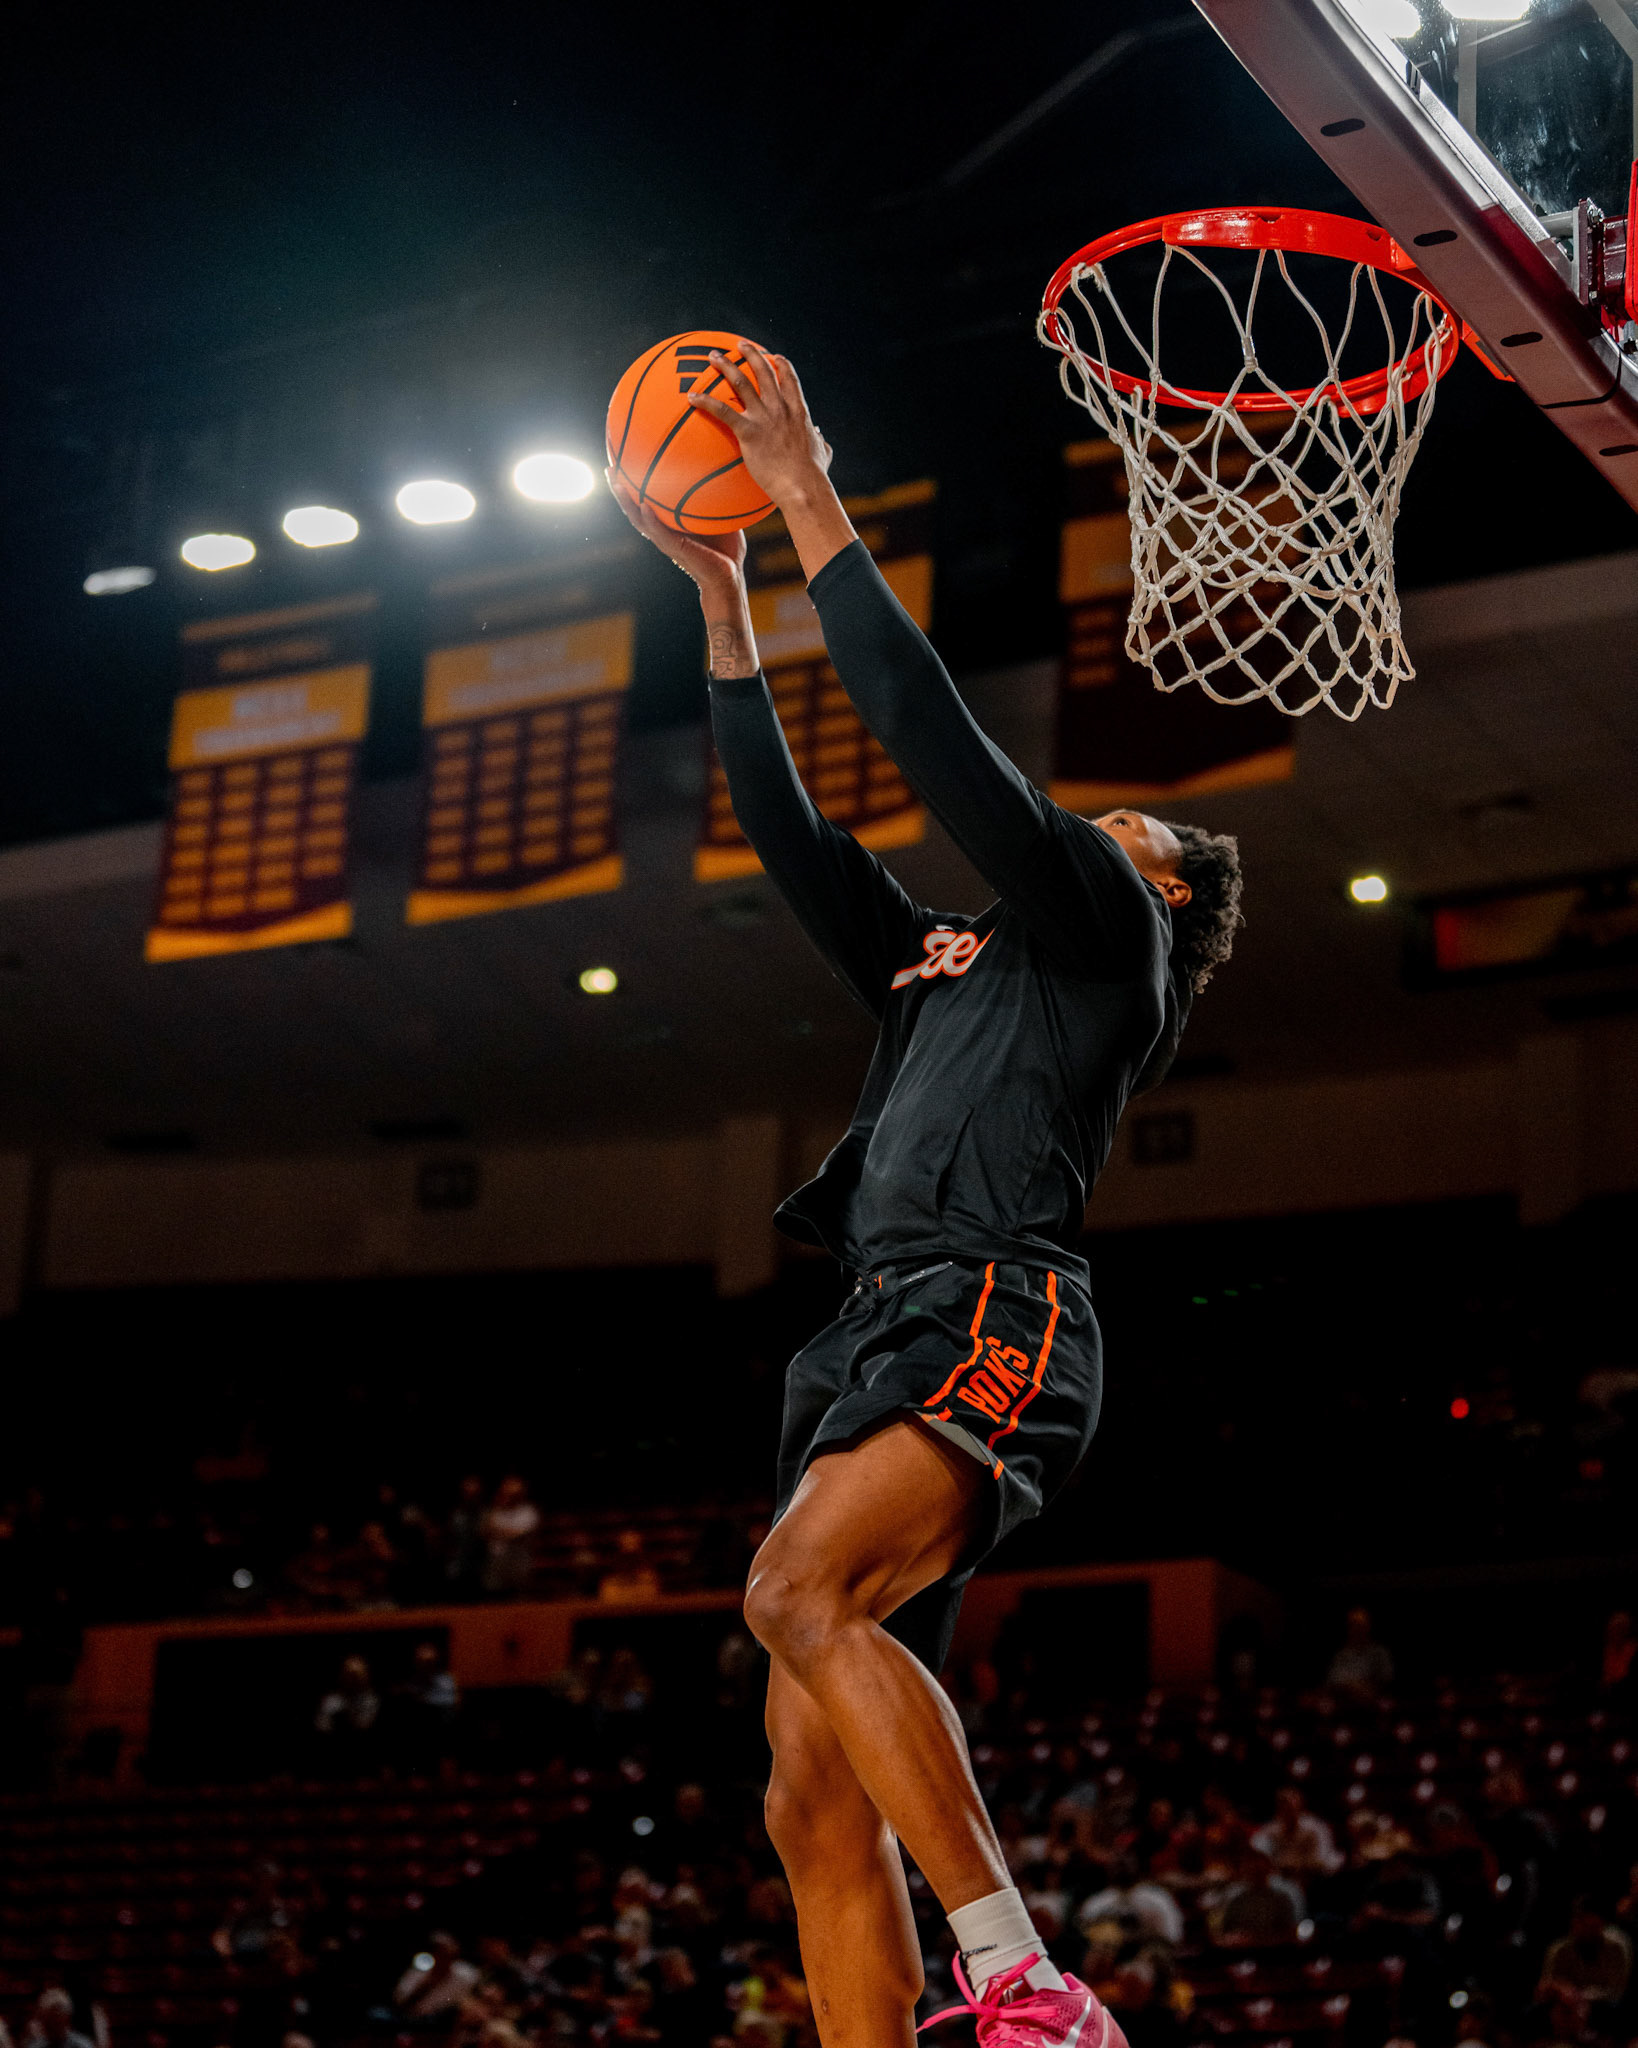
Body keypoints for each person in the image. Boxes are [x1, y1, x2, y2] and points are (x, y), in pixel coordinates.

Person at [611, 342, 1243, 2048]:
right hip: (866, 1327)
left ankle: (1023, 1977)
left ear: (1166, 898)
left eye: (1128, 825)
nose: (1094, 828)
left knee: (787, 1592)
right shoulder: (941, 957)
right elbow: (799, 842)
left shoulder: (1112, 943)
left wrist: (808, 486)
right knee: (803, 1798)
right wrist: (724, 599)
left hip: (995, 1304)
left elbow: (925, 731)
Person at [1325, 1608, 1393, 1702]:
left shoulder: (1379, 1653)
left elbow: (1386, 1679)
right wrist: (1351, 1687)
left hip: (1372, 1701)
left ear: (1368, 1627)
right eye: (1353, 1625)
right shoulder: (1342, 1654)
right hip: (1344, 1701)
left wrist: (1365, 1687)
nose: (1357, 1629)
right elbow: (1333, 1680)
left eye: (1360, 1625)